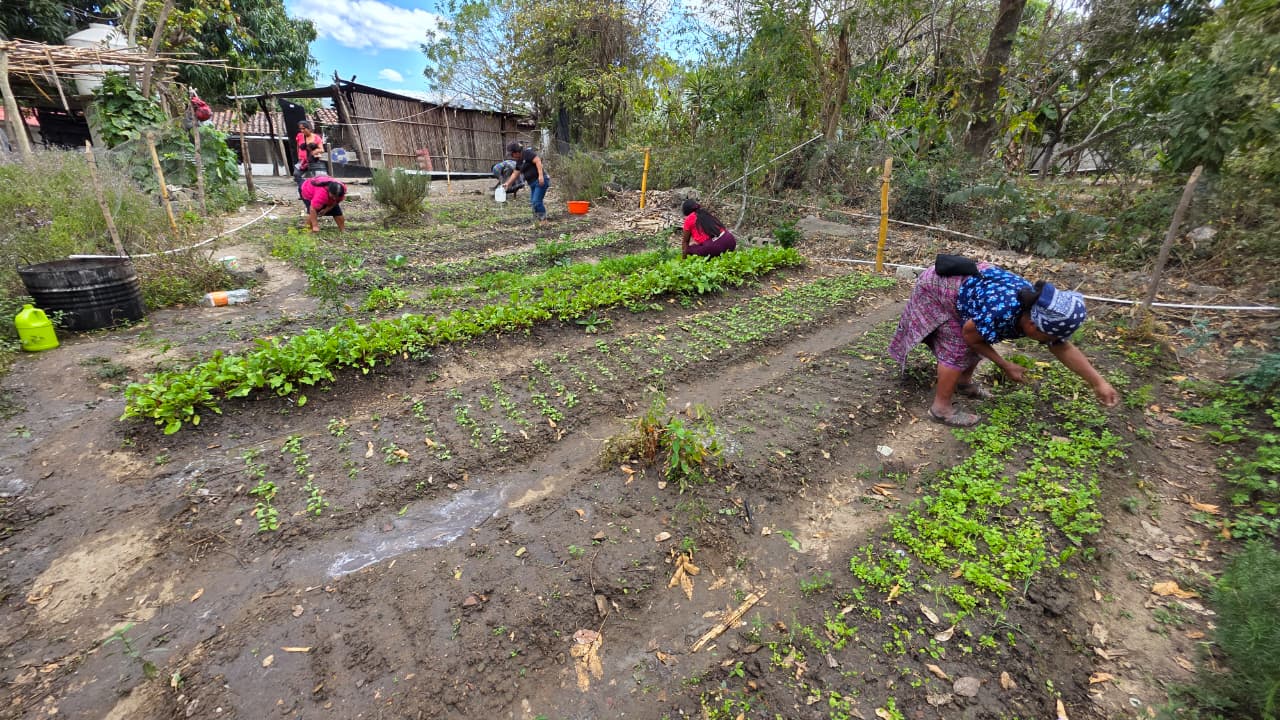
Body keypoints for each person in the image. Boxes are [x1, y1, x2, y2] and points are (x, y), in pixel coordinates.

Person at [887, 256, 1118, 427]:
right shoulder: (1002, 312)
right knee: (957, 347)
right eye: (1049, 337)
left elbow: (1062, 346)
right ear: (1032, 326)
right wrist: (1005, 365)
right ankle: (941, 409)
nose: (1052, 342)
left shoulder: (1034, 311)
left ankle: (963, 384)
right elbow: (970, 336)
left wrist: (1098, 382)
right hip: (939, 287)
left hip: (971, 290)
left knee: (980, 339)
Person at [500, 141, 549, 220]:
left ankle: (543, 220)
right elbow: (515, 173)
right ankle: (537, 220)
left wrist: (541, 176)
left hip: (539, 181)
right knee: (533, 203)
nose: (512, 156)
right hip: (532, 183)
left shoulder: (527, 153)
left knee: (536, 201)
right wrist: (507, 183)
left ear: (516, 152)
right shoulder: (519, 161)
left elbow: (538, 161)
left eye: (512, 154)